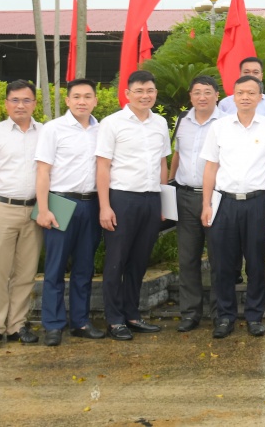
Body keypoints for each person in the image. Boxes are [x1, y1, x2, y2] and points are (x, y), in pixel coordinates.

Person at [201, 76, 265, 339]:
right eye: (240, 92)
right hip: (224, 202)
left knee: (256, 262)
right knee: (223, 263)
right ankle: (225, 316)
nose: (245, 97)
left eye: (251, 93)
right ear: (233, 96)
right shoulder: (219, 127)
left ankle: (255, 316)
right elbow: (210, 167)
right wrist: (206, 204)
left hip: (257, 202)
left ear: (260, 97)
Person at [96, 70, 171, 341]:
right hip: (122, 199)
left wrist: (164, 203)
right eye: (139, 91)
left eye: (149, 90)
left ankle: (132, 314)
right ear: (127, 94)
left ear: (155, 93)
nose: (145, 96)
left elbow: (163, 163)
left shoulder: (160, 122)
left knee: (139, 261)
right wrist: (105, 206)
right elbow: (102, 166)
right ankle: (114, 320)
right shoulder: (112, 123)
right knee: (117, 261)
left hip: (151, 199)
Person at [33, 78, 103, 346]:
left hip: (91, 204)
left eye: (87, 96)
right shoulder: (53, 129)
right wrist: (43, 209)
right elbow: (42, 171)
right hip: (60, 203)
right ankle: (53, 325)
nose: (82, 101)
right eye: (76, 97)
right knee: (55, 268)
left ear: (95, 100)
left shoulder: (102, 130)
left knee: (84, 268)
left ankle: (80, 322)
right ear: (68, 100)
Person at [0, 79, 43, 348]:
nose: (20, 105)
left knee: (26, 272)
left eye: (26, 100)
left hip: (34, 211)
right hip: (1, 209)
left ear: (34, 103)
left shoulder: (45, 133)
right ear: (6, 103)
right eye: (15, 100)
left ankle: (17, 325)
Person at [168, 76, 223, 333]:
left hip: (216, 198)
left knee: (219, 257)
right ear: (190, 96)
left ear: (217, 95)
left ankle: (220, 313)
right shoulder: (182, 121)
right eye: (197, 92)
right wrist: (169, 185)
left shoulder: (226, 122)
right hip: (185, 197)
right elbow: (177, 154)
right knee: (188, 257)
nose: (202, 97)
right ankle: (190, 313)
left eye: (207, 92)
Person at [218, 56, 265, 122]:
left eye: (255, 72)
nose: (251, 75)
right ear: (240, 75)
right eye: (246, 72)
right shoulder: (225, 104)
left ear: (261, 76)